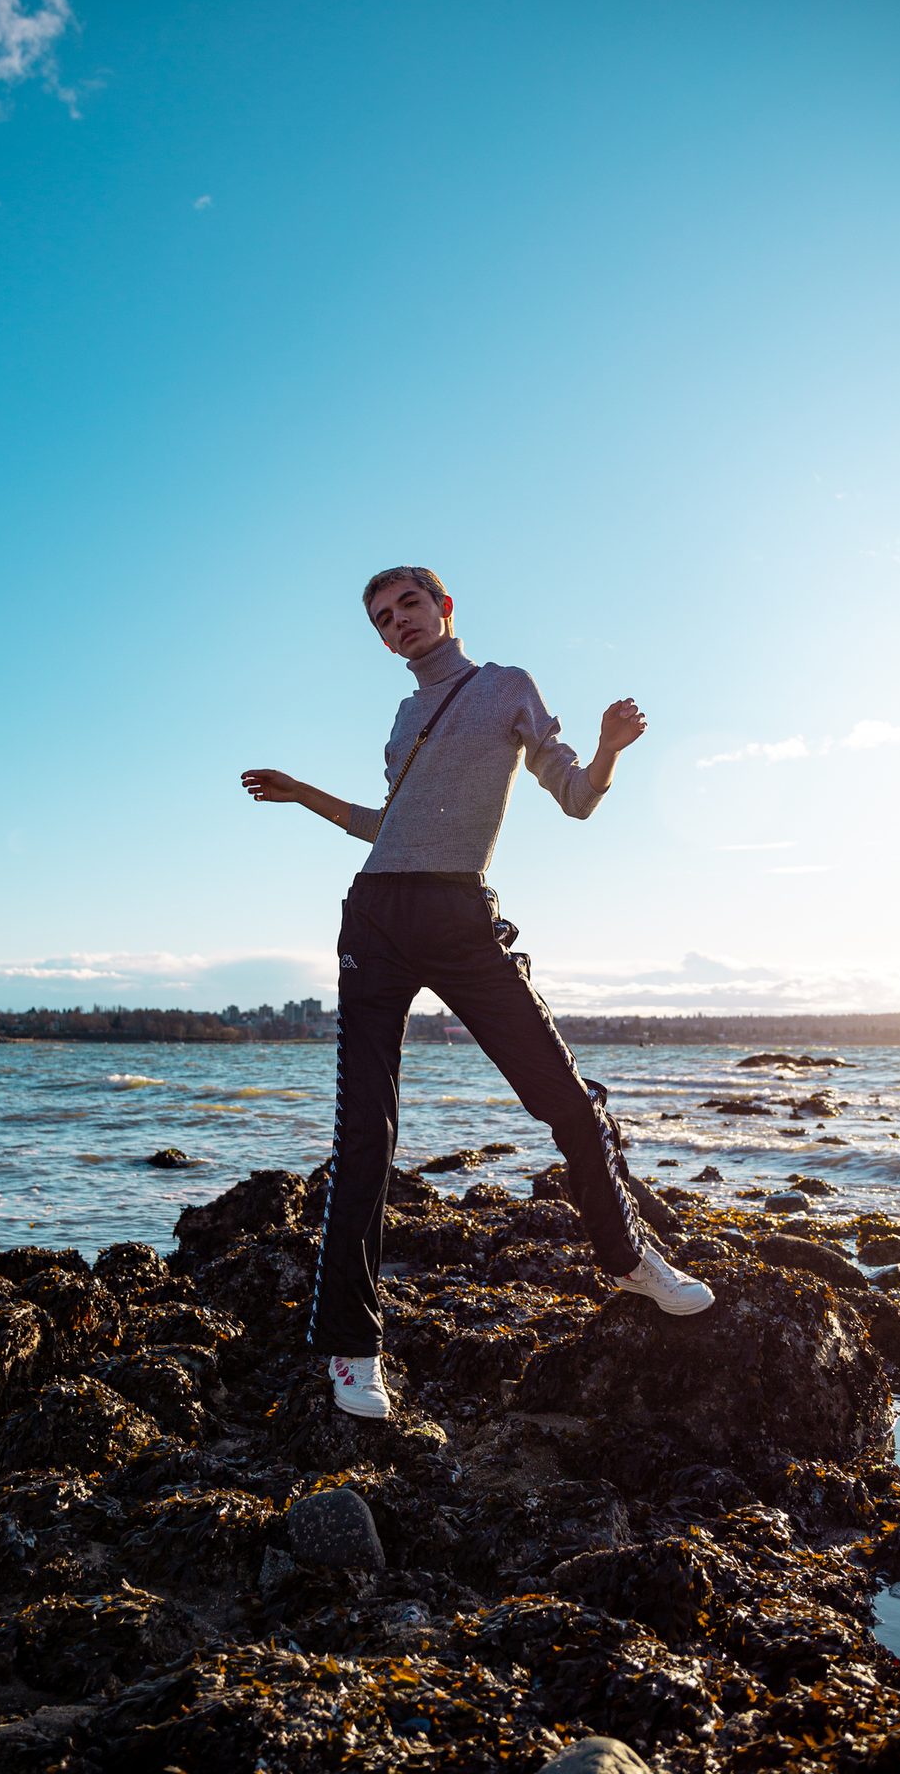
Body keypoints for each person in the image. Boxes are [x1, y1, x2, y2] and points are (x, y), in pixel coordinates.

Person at [241, 564, 713, 1421]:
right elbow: (389, 826)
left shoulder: (505, 688)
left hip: (462, 915)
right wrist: (303, 794)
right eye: (381, 620)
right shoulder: (402, 718)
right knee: (365, 1135)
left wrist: (608, 749)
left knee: (566, 1100)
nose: (397, 625)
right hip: (377, 920)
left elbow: (573, 797)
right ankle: (352, 1349)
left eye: (408, 606)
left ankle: (630, 1259)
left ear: (444, 607)